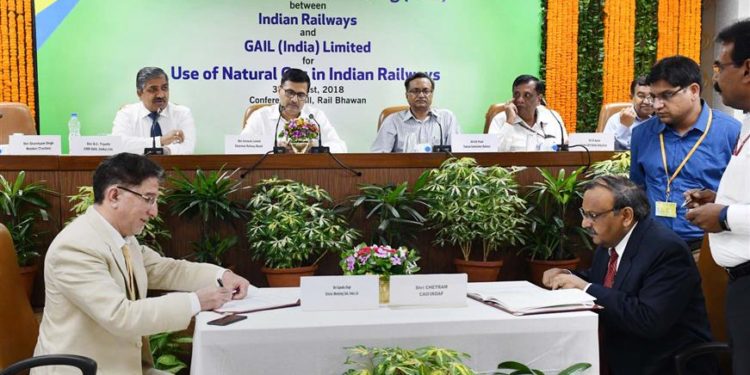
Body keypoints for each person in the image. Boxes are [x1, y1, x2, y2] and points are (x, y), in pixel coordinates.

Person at [33, 153, 252, 374]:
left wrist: (221, 275)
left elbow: (165, 269)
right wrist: (196, 302)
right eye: (148, 198)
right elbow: (121, 315)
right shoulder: (75, 247)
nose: (154, 211)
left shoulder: (121, 238)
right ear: (115, 196)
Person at [543, 176, 715, 375]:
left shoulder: (666, 250)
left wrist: (584, 288)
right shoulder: (610, 241)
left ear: (625, 216)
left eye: (592, 215)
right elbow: (603, 281)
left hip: (664, 365)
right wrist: (565, 275)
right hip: (623, 358)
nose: (584, 223)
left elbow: (648, 320)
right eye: (584, 213)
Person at [685, 19, 750, 374]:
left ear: (747, 69)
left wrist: (723, 216)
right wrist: (716, 199)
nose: (715, 78)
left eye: (719, 67)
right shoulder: (746, 122)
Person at [630, 56, 741, 253]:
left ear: (693, 90)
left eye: (666, 95)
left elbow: (742, 198)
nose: (656, 105)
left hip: (710, 247)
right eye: (654, 96)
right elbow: (638, 189)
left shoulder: (731, 133)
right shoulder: (642, 134)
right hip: (653, 246)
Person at [241, 68, 347, 153]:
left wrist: (314, 148)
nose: (294, 100)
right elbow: (241, 147)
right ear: (279, 91)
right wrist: (276, 148)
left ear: (306, 96)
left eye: (300, 95)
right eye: (290, 92)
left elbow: (340, 147)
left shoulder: (316, 116)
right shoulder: (260, 116)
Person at [112, 67, 195, 155]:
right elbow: (120, 145)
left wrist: (163, 151)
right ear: (139, 93)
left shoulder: (182, 113)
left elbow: (187, 148)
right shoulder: (126, 113)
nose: (161, 95)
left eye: (164, 88)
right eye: (153, 89)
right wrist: (160, 141)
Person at [370, 72, 461, 152]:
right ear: (407, 95)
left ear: (432, 94)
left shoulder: (447, 118)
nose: (421, 95)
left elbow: (458, 153)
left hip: (439, 171)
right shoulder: (393, 121)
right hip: (403, 170)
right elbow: (378, 156)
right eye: (415, 91)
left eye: (426, 91)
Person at [487, 74, 567, 152]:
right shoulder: (500, 119)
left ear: (539, 99)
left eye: (527, 95)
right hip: (514, 165)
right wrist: (509, 121)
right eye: (516, 94)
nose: (520, 100)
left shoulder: (552, 118)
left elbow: (565, 149)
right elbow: (493, 155)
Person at [603, 76, 654, 150]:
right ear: (631, 97)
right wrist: (624, 126)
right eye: (641, 96)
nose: (647, 102)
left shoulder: (660, 122)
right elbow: (605, 150)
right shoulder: (615, 120)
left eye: (652, 96)